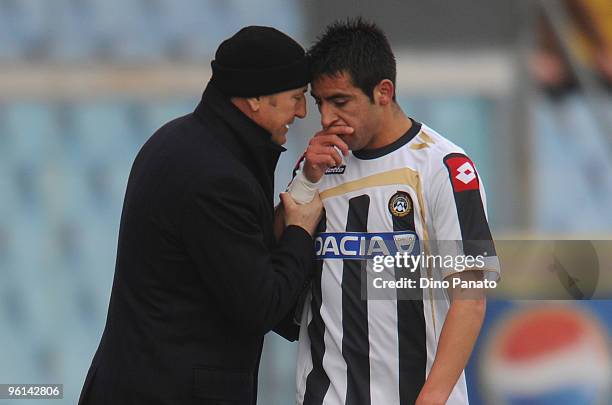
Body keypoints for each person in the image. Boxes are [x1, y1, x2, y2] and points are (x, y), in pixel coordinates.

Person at [78, 26, 323, 405]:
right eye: (296, 97)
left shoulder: (177, 142)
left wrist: (303, 186)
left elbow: (232, 256)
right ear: (256, 98)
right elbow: (261, 305)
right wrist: (301, 233)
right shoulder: (218, 178)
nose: (303, 111)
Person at [288, 19, 500, 405]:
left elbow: (470, 297)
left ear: (383, 92)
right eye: (320, 103)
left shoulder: (444, 167)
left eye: (340, 101)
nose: (327, 118)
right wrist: (304, 180)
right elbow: (277, 257)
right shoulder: (318, 166)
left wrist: (433, 396)